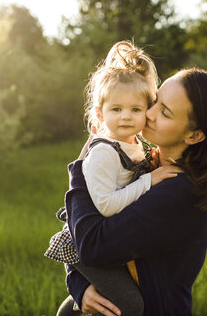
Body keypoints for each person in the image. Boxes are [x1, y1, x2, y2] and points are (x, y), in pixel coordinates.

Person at [62, 67, 207, 315]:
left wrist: (81, 171)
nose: (149, 113)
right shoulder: (148, 163)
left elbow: (90, 245)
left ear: (194, 135)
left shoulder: (180, 193)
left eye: (164, 112)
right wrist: (79, 286)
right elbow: (75, 231)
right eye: (154, 102)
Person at [45, 41, 181, 316]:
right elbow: (88, 214)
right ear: (102, 110)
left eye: (139, 106)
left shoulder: (136, 145)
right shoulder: (103, 150)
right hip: (91, 244)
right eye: (118, 108)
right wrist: (78, 283)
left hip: (110, 246)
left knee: (107, 302)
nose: (128, 115)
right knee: (127, 306)